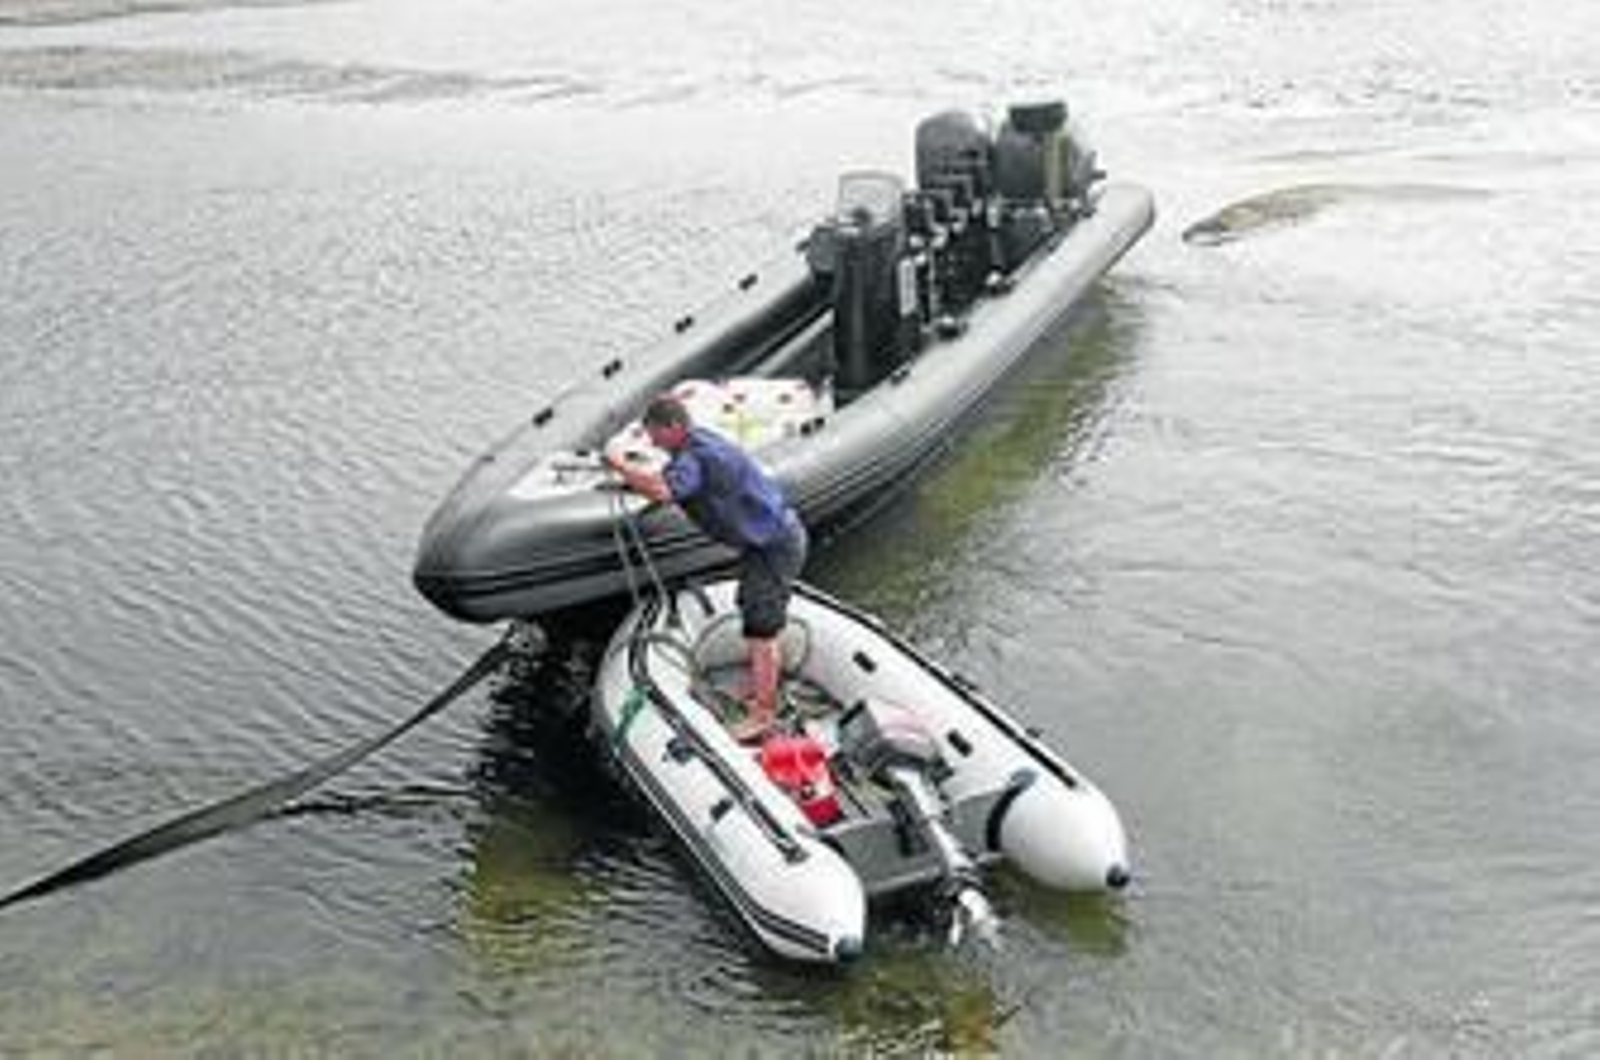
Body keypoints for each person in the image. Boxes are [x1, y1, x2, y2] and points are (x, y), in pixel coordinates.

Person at [606, 394, 808, 741]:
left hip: (773, 547)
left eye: (655, 434)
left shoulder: (697, 456)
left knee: (761, 630)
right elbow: (674, 477)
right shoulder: (701, 441)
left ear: (674, 427)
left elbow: (664, 490)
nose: (652, 441)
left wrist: (620, 466)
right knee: (752, 613)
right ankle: (760, 690)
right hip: (766, 543)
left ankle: (763, 715)